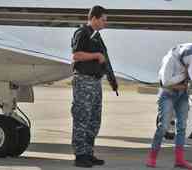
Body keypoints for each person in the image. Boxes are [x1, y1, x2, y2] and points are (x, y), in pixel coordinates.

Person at [71, 5, 118, 168]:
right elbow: (76, 55)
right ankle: (80, 155)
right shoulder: (82, 33)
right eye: (103, 20)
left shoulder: (96, 36)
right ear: (94, 18)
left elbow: (105, 59)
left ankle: (88, 153)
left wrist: (112, 79)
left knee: (94, 120)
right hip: (84, 81)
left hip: (95, 82)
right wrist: (96, 55)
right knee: (82, 118)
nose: (105, 23)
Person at [146, 43, 192, 170]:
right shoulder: (170, 60)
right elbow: (165, 83)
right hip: (167, 95)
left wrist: (186, 84)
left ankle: (179, 160)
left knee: (181, 127)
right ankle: (152, 157)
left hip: (182, 95)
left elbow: (190, 80)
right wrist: (184, 76)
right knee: (163, 126)